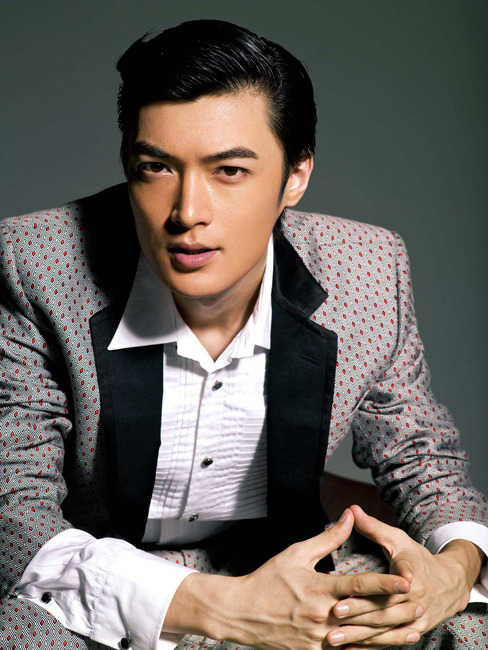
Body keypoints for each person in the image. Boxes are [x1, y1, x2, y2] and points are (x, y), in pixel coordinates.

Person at [0, 19, 487, 650]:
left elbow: (425, 461)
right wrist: (225, 610)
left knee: (469, 627)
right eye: (155, 168)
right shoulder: (37, 262)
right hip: (100, 577)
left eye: (229, 170)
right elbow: (14, 510)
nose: (188, 213)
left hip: (288, 562)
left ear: (296, 177)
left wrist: (454, 571)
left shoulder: (367, 268)